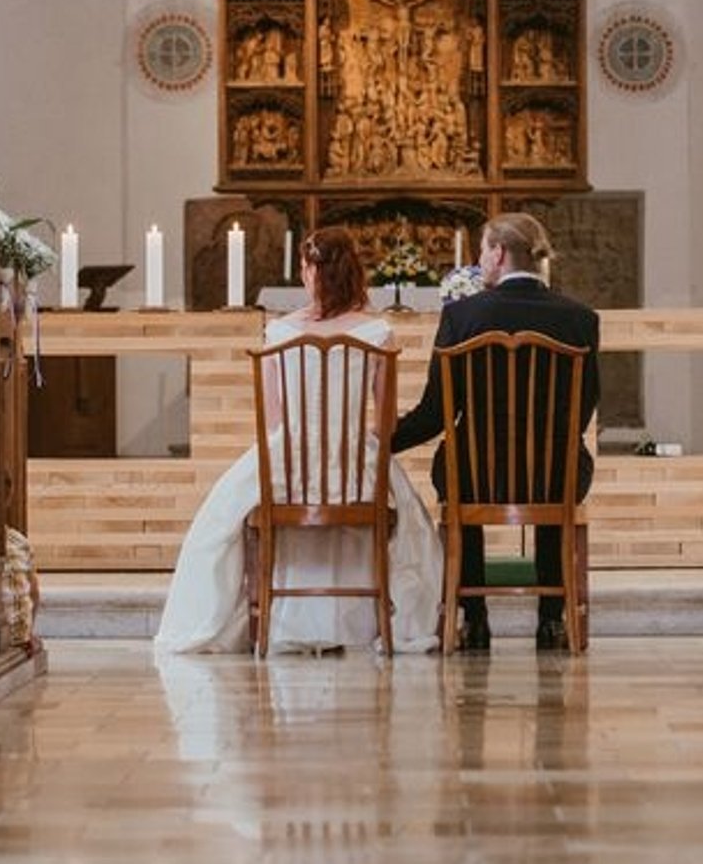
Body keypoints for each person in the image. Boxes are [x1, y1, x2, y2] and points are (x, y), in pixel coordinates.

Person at [155, 227, 444, 654]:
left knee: (216, 524)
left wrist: (306, 456)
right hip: (354, 474)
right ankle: (369, 623)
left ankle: (269, 620)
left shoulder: (279, 332)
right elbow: (385, 425)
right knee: (411, 522)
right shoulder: (378, 332)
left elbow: (276, 423)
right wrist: (347, 446)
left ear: (310, 272)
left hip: (287, 469)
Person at [390, 213, 599, 652]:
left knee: (459, 470)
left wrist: (380, 441)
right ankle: (551, 621)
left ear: (499, 254)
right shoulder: (580, 319)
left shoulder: (461, 317)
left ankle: (475, 618)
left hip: (471, 473)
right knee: (556, 468)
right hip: (555, 474)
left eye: (483, 250)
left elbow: (433, 413)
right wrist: (552, 443)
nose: (480, 259)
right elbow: (585, 405)